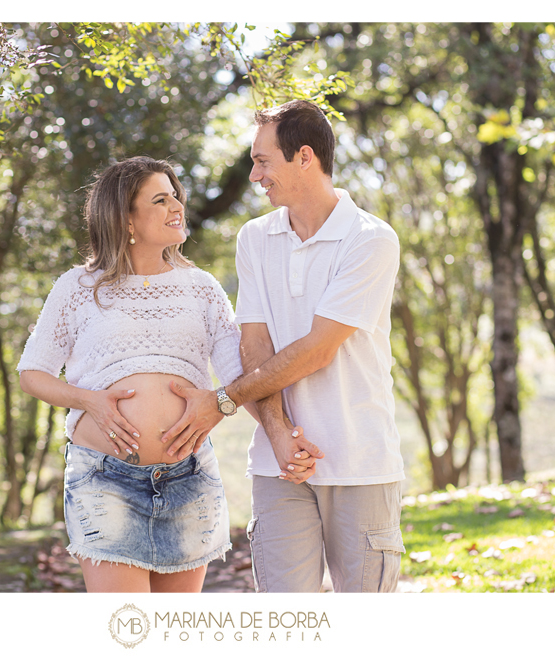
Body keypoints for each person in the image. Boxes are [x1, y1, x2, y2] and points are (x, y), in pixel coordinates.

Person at [160, 100, 406, 592]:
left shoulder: (370, 240)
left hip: (360, 462)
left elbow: (318, 348)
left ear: (305, 158)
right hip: (278, 467)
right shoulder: (255, 238)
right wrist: (276, 431)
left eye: (262, 161)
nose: (254, 175)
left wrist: (225, 400)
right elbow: (254, 342)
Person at [17, 156, 259, 593]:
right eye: (161, 200)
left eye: (176, 198)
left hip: (189, 478)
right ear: (125, 218)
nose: (177, 208)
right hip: (102, 481)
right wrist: (88, 400)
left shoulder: (202, 287)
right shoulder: (77, 287)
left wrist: (274, 429)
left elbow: (242, 378)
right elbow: (33, 373)